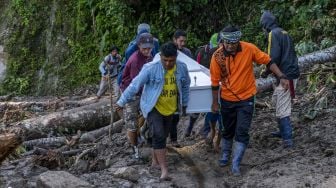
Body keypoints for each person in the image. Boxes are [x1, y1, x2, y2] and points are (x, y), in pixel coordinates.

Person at [210, 25, 289, 176]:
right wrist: (215, 102)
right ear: (223, 41)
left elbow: (268, 61)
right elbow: (214, 83)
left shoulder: (249, 49)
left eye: (233, 43)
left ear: (238, 41)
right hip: (226, 99)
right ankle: (226, 155)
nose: (230, 46)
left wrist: (281, 76)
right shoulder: (217, 57)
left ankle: (235, 163)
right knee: (227, 130)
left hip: (246, 98)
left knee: (242, 131)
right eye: (227, 43)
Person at [116, 42, 190, 180]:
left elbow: (186, 86)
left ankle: (154, 161)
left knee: (162, 136)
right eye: (165, 60)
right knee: (160, 135)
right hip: (153, 107)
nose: (168, 64)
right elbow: (135, 85)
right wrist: (121, 101)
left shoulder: (182, 68)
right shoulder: (150, 68)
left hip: (171, 108)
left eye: (171, 61)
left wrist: (184, 104)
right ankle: (164, 170)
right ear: (160, 56)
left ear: (176, 57)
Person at [260, 10, 300, 148]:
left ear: (265, 25)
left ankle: (287, 140)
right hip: (291, 71)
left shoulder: (273, 34)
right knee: (277, 102)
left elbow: (273, 57)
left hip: (285, 75)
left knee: (282, 106)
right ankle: (283, 131)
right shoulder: (284, 32)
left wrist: (266, 71)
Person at [119, 33, 154, 159]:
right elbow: (136, 84)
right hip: (131, 92)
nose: (147, 51)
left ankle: (144, 135)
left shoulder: (151, 56)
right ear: (139, 46)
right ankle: (134, 149)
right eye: (144, 48)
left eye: (149, 48)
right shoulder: (135, 60)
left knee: (150, 115)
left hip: (143, 91)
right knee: (131, 123)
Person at [169, 29, 194, 147]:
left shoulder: (187, 52)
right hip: (170, 85)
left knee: (176, 115)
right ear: (174, 40)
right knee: (172, 116)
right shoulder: (168, 50)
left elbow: (192, 66)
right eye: (180, 41)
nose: (182, 43)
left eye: (184, 41)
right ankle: (172, 139)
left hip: (183, 84)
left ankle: (174, 138)